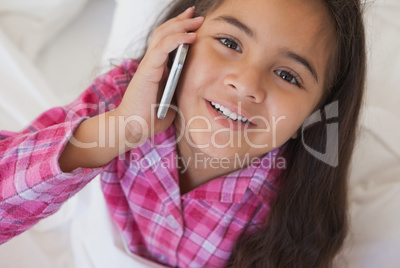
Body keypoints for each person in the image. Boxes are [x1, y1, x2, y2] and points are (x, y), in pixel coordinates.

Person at [0, 0, 366, 267]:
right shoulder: (118, 100)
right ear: (183, 38)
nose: (245, 83)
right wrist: (124, 128)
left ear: (316, 115)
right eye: (231, 43)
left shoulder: (296, 199)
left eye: (288, 75)